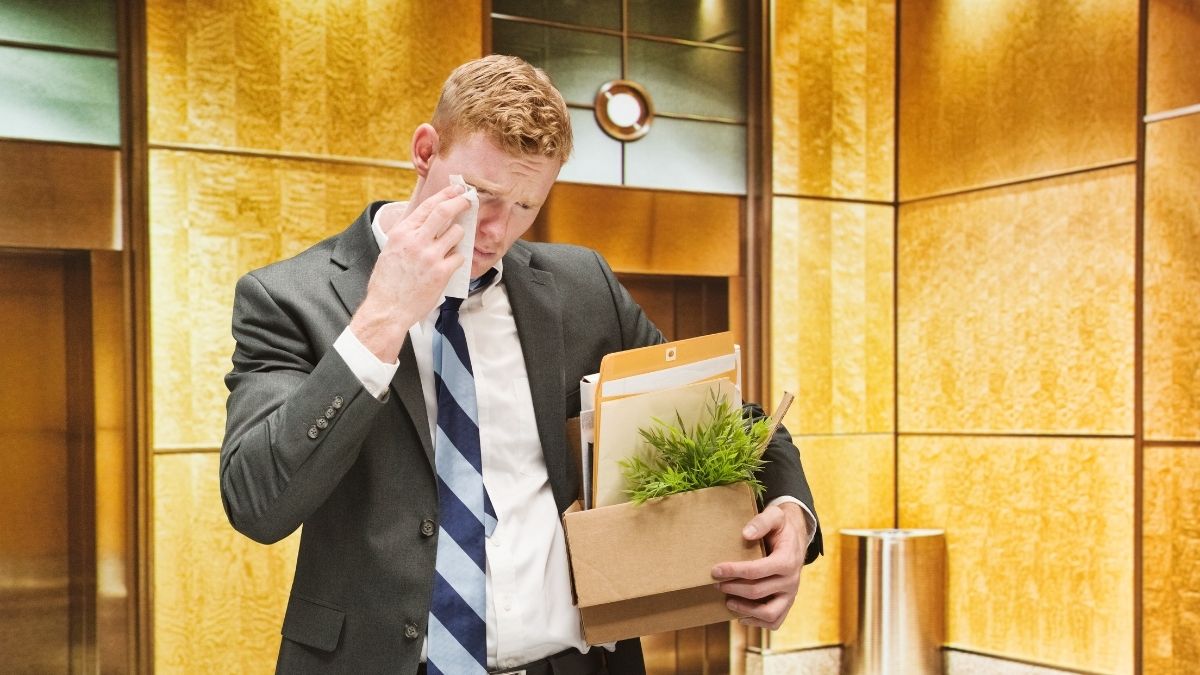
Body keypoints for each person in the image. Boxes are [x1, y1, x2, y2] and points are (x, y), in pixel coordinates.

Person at [220, 54, 822, 675]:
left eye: (527, 206)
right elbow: (257, 504)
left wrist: (791, 511)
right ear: (426, 153)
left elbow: (720, 418)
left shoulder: (581, 287)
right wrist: (382, 317)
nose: (496, 231)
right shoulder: (289, 298)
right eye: (480, 196)